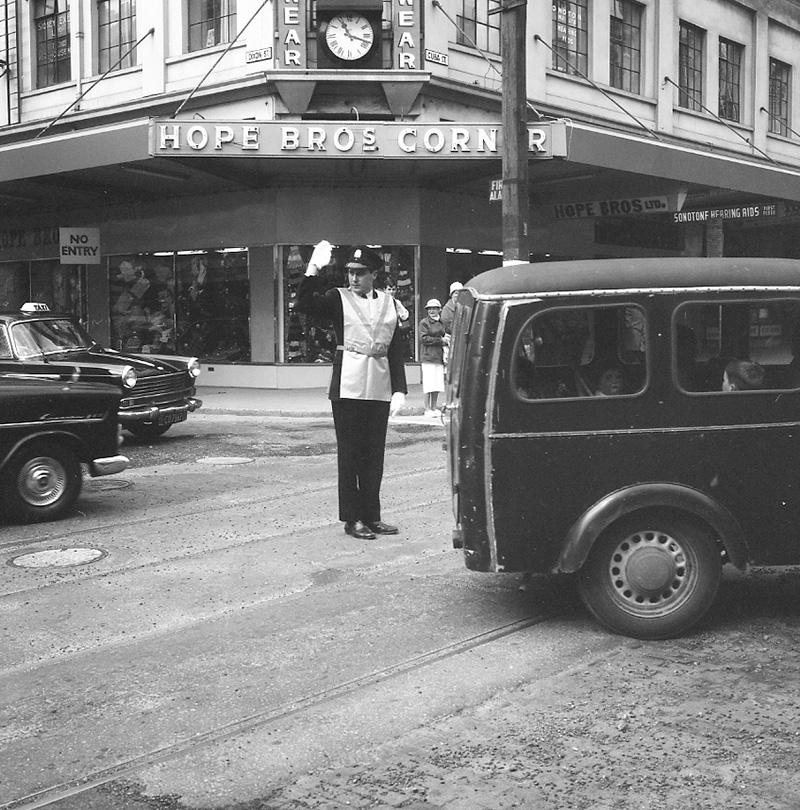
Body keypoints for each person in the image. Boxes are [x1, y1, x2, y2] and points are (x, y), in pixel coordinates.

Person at [295, 241, 407, 541]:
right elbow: (302, 305)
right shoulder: (337, 298)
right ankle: (352, 518)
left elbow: (395, 348)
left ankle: (372, 516)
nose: (354, 278)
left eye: (360, 273)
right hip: (348, 387)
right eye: (350, 272)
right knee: (350, 456)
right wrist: (313, 269)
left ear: (374, 274)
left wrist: (400, 389)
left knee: (374, 457)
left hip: (380, 387)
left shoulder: (388, 303)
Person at [419, 298, 447, 416]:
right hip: (428, 356)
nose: (431, 311)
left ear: (439, 310)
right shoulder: (424, 323)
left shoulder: (442, 322)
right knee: (428, 384)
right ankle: (427, 408)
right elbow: (424, 339)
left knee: (437, 383)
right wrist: (441, 341)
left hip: (438, 356)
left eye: (434, 308)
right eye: (429, 309)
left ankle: (434, 407)